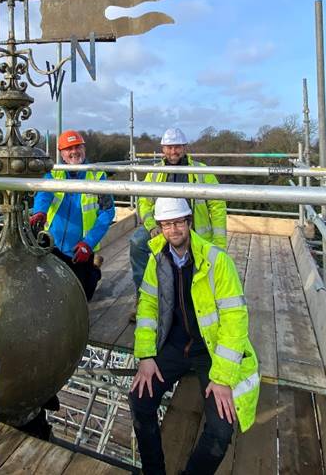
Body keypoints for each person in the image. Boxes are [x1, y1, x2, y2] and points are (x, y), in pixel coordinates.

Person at [129, 198, 259, 475]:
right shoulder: (158, 259)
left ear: (189, 222)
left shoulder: (217, 261)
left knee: (221, 429)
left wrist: (222, 378)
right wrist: (146, 355)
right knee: (139, 401)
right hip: (175, 346)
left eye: (177, 223)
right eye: (166, 224)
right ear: (160, 227)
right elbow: (148, 307)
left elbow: (235, 320)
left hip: (209, 352)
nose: (172, 230)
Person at [128, 127, 227, 307]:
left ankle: (199, 303)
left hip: (192, 230)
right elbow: (144, 201)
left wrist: (219, 243)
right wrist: (151, 226)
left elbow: (217, 204)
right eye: (169, 147)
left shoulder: (200, 171)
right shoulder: (155, 172)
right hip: (162, 228)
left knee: (201, 267)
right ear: (163, 149)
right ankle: (144, 299)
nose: (173, 151)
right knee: (137, 243)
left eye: (177, 147)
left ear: (185, 147)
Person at [29, 129, 114, 301]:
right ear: (61, 153)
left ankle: (95, 270)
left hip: (80, 247)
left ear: (84, 148)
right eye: (69, 148)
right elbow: (44, 194)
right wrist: (39, 211)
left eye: (77, 147)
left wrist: (88, 244)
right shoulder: (53, 172)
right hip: (53, 242)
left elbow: (107, 212)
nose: (74, 151)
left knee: (83, 296)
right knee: (48, 289)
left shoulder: (97, 176)